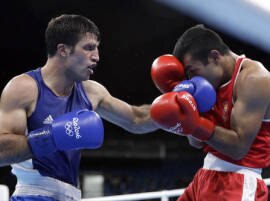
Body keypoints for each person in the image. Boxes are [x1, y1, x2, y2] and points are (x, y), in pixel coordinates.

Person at [0, 14, 157, 201]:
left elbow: (137, 119)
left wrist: (175, 105)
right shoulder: (25, 88)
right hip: (33, 194)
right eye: (89, 48)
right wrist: (52, 137)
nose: (97, 57)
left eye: (97, 48)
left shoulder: (91, 92)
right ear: (63, 50)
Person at [150, 24, 270, 201]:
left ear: (215, 57)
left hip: (238, 181)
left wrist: (195, 123)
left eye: (192, 71)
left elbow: (238, 148)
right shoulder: (207, 86)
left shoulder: (254, 79)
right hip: (205, 176)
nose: (192, 80)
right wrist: (186, 111)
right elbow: (197, 143)